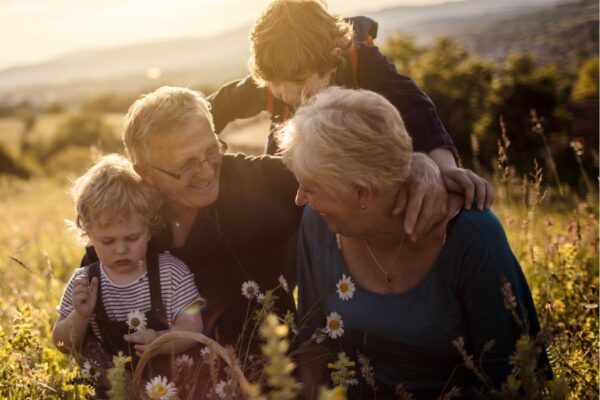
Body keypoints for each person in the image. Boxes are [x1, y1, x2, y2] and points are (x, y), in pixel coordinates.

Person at [277, 87, 548, 398]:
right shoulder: (318, 225)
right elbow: (314, 343)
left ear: (362, 193)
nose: (300, 199)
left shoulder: (473, 236)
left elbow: (512, 373)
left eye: (311, 187)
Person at [208, 0, 493, 238]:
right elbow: (214, 108)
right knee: (281, 225)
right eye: (273, 81)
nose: (285, 92)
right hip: (291, 168)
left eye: (297, 80)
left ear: (333, 60)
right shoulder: (277, 79)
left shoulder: (363, 62)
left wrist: (443, 166)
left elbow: (415, 106)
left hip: (353, 168)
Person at [53, 154, 204, 384]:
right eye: (107, 241)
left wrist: (160, 340)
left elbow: (194, 326)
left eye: (132, 238)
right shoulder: (84, 282)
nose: (120, 249)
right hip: (111, 388)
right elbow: (62, 345)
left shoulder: (171, 273)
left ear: (149, 229)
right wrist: (80, 316)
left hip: (166, 386)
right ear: (89, 235)